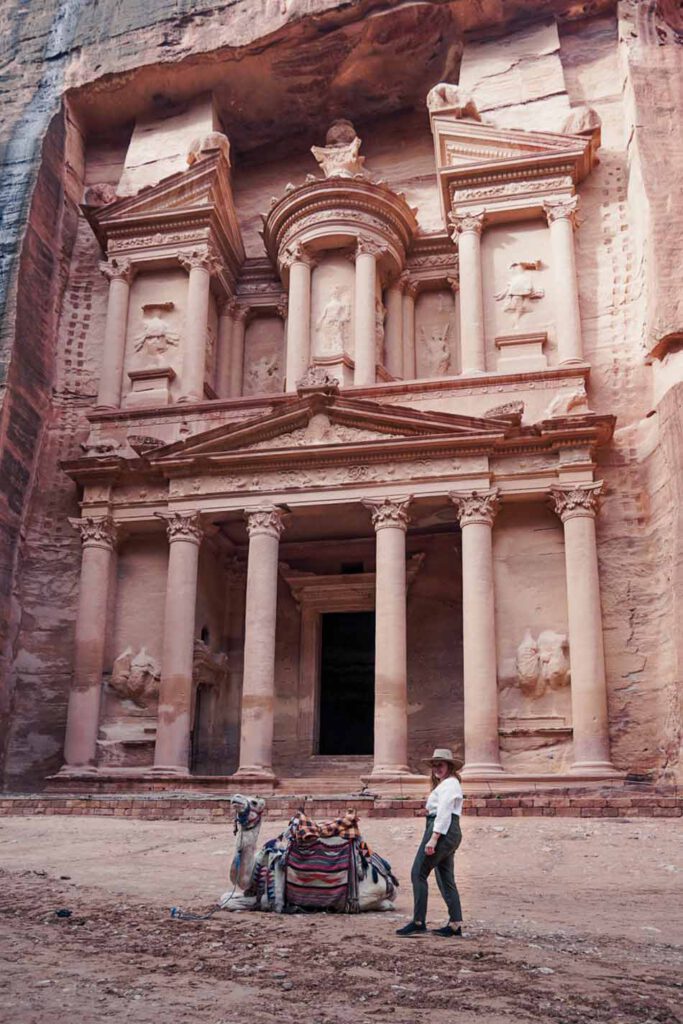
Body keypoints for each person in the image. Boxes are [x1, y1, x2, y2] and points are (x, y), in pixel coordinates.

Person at [396, 747, 464, 938]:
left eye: (440, 765)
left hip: (442, 830)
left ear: (449, 766)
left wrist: (434, 838)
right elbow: (440, 809)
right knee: (445, 878)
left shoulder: (450, 784)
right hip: (447, 830)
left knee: (418, 872)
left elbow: (444, 812)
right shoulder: (446, 784)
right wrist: (427, 811)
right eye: (434, 766)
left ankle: (418, 922)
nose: (436, 769)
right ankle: (455, 924)